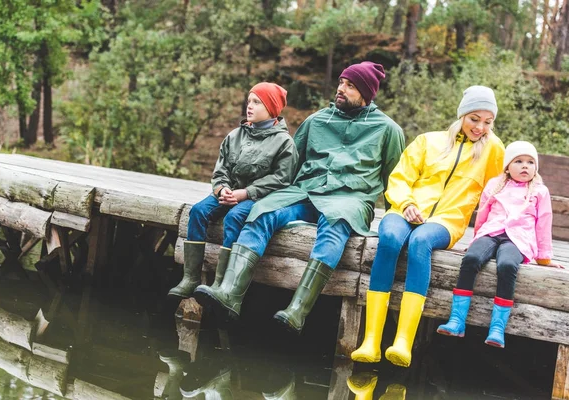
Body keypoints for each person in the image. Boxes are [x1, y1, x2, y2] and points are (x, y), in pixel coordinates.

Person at [193, 61, 405, 332]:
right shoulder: (316, 121)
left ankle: (297, 310)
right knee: (263, 211)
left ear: (366, 92)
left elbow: (395, 182)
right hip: (304, 192)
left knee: (334, 225)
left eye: (350, 86)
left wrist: (397, 221)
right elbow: (291, 167)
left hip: (349, 200)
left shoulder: (388, 130)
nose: (341, 89)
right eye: (341, 82)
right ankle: (230, 295)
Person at [351, 86, 506, 368]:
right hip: (405, 209)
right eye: (474, 118)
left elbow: (501, 190)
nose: (480, 127)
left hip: (446, 221)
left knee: (420, 242)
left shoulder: (493, 149)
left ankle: (403, 342)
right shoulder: (427, 141)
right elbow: (399, 178)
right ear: (461, 115)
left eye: (488, 121)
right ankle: (371, 341)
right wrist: (407, 203)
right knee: (389, 238)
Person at [168, 82, 298, 299]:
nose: (250, 106)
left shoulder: (284, 143)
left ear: (271, 108)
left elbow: (282, 179)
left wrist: (246, 193)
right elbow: (221, 170)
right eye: (249, 101)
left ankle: (221, 283)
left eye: (257, 102)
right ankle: (190, 279)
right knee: (198, 211)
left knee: (234, 217)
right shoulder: (235, 135)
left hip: (258, 197)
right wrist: (222, 190)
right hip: (229, 192)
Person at [437, 141, 563, 347]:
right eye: (519, 161)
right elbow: (483, 215)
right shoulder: (496, 185)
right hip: (491, 232)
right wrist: (476, 240)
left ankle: (497, 328)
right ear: (507, 166)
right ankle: (457, 321)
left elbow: (544, 223)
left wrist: (544, 258)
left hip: (518, 239)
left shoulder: (539, 191)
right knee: (472, 259)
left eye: (530, 162)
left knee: (506, 265)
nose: (525, 166)